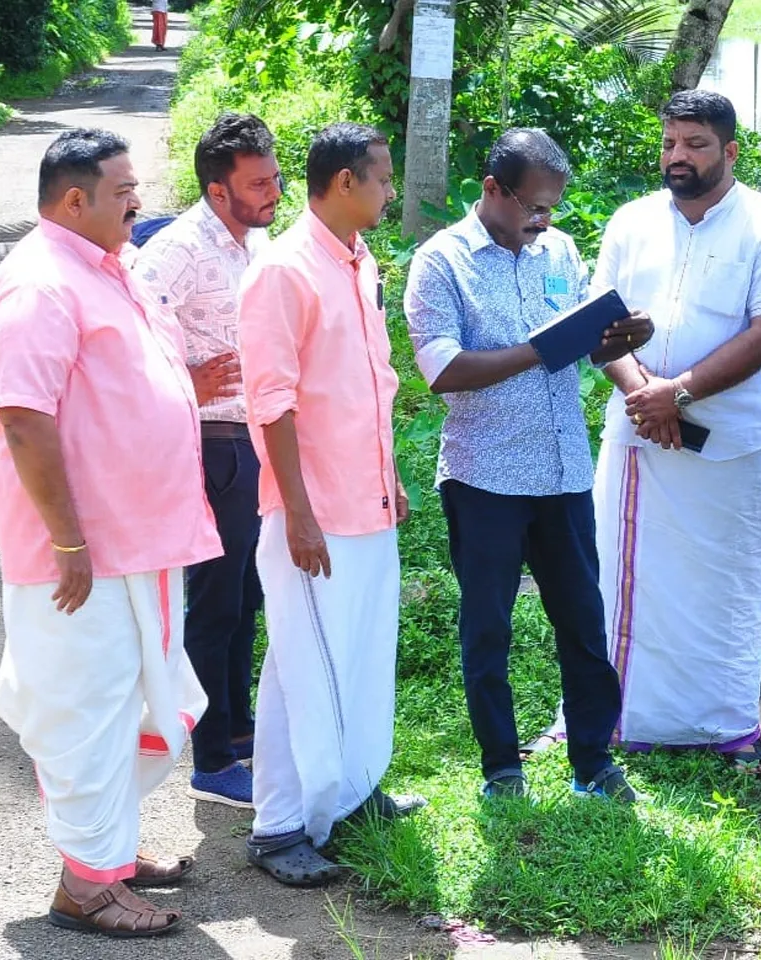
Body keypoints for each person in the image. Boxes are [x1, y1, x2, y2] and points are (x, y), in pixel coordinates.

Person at [0, 128, 222, 937]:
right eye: (123, 191)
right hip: (82, 551)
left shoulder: (105, 270)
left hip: (141, 538)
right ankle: (85, 887)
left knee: (132, 700)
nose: (138, 202)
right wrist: (70, 543)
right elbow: (21, 417)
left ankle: (107, 851)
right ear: (74, 199)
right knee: (86, 706)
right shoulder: (40, 284)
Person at [404, 128, 652, 801]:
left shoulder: (560, 251)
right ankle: (501, 770)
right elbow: (443, 369)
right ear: (492, 190)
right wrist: (539, 350)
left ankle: (593, 762)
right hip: (484, 475)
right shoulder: (440, 262)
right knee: (488, 627)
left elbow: (586, 343)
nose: (543, 223)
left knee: (581, 619)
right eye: (532, 208)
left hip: (564, 470)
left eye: (551, 209)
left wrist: (621, 341)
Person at [591, 90, 761, 766]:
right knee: (623, 578)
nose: (677, 157)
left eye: (695, 144)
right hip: (637, 438)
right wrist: (644, 396)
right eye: (670, 143)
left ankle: (723, 727)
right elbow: (599, 325)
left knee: (724, 584)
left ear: (730, 151)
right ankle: (613, 717)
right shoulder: (631, 222)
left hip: (728, 447)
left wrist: (676, 393)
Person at [239, 121, 422, 886]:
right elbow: (271, 404)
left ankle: (349, 791)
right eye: (382, 178)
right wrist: (300, 512)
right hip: (311, 513)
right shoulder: (285, 271)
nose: (390, 190)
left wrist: (392, 479)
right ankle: (279, 827)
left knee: (359, 652)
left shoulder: (356, 260)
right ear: (345, 182)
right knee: (301, 665)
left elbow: (364, 387)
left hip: (367, 502)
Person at [137, 113, 281, 809]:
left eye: (275, 177)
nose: (274, 191)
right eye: (258, 183)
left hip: (253, 441)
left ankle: (240, 729)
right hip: (212, 444)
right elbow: (126, 340)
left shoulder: (253, 242)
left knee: (248, 598)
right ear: (218, 191)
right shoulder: (176, 251)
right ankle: (212, 758)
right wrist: (182, 383)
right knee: (216, 602)